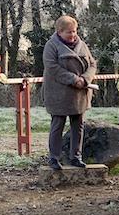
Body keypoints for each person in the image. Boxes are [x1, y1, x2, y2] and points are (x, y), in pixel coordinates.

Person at [41, 15, 97, 170]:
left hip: (79, 94)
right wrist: (73, 79)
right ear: (59, 32)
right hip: (58, 94)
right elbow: (52, 67)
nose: (73, 35)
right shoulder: (51, 46)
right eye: (69, 32)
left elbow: (92, 64)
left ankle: (76, 157)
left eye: (74, 31)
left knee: (78, 125)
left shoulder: (82, 45)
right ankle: (54, 158)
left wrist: (85, 79)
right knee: (57, 125)